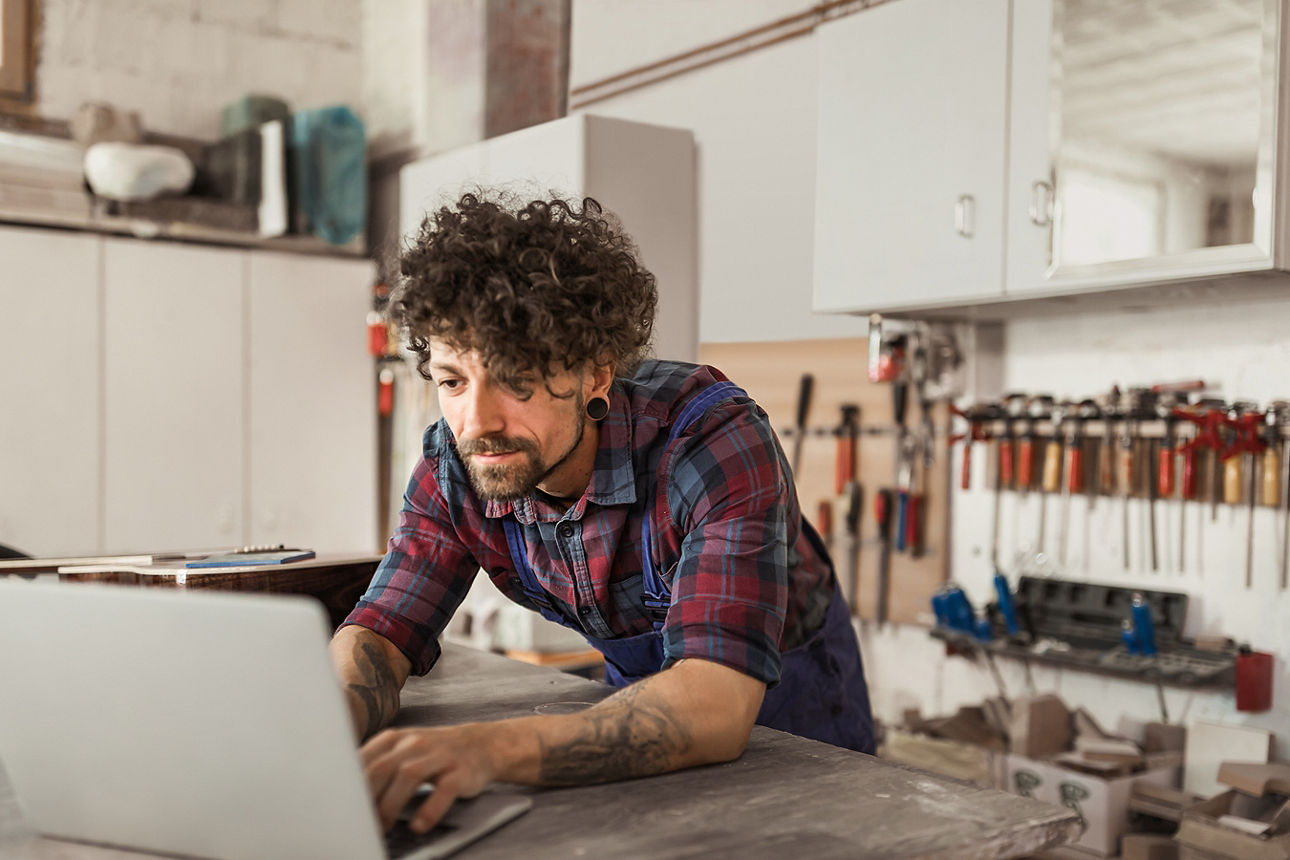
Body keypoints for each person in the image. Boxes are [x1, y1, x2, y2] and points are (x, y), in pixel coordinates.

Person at [331, 192, 873, 835]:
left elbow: (717, 707)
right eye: (453, 382)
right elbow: (381, 631)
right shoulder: (456, 467)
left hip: (791, 709)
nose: (477, 422)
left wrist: (488, 749)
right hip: (645, 705)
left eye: (517, 379)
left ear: (595, 374)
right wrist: (318, 740)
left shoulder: (712, 442)